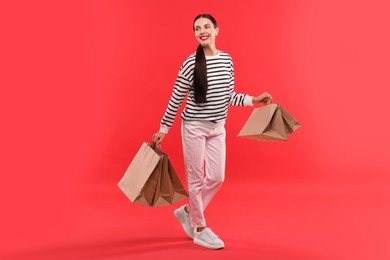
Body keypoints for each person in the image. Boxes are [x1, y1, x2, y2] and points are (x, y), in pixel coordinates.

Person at [152, 14, 272, 250]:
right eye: (197, 28)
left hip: (218, 128)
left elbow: (229, 96)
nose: (202, 31)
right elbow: (177, 98)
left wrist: (253, 100)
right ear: (195, 34)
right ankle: (199, 229)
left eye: (207, 27)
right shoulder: (190, 63)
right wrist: (163, 128)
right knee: (196, 180)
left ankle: (188, 211)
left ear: (217, 30)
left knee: (217, 177)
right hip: (194, 128)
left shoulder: (227, 60)